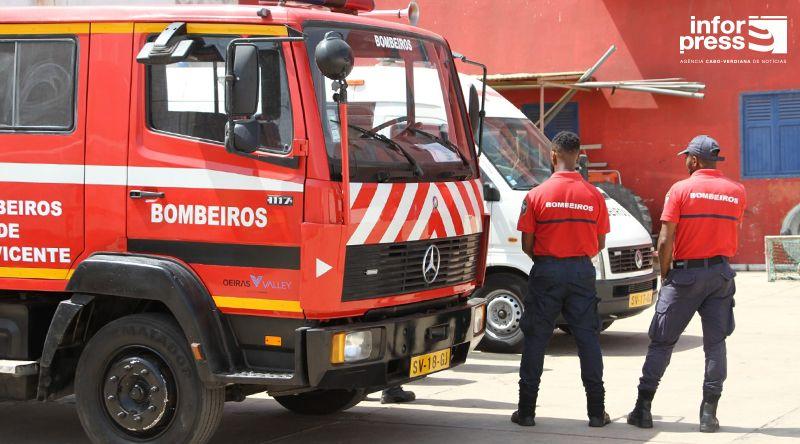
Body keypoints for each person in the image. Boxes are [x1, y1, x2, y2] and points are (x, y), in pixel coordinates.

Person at [627, 135, 746, 433]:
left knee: (662, 342)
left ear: (694, 159)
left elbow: (665, 239)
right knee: (715, 345)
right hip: (720, 275)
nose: (685, 162)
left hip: (684, 276)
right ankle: (708, 415)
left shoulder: (680, 189)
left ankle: (643, 409)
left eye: (686, 158)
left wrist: (665, 273)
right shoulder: (737, 192)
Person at [513, 131, 611, 427]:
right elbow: (600, 243)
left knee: (536, 338)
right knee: (587, 339)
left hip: (546, 270)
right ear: (579, 155)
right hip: (581, 271)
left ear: (552, 155)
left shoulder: (536, 195)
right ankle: (597, 412)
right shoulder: (595, 196)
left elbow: (527, 244)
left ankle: (526, 412)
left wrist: (549, 260)